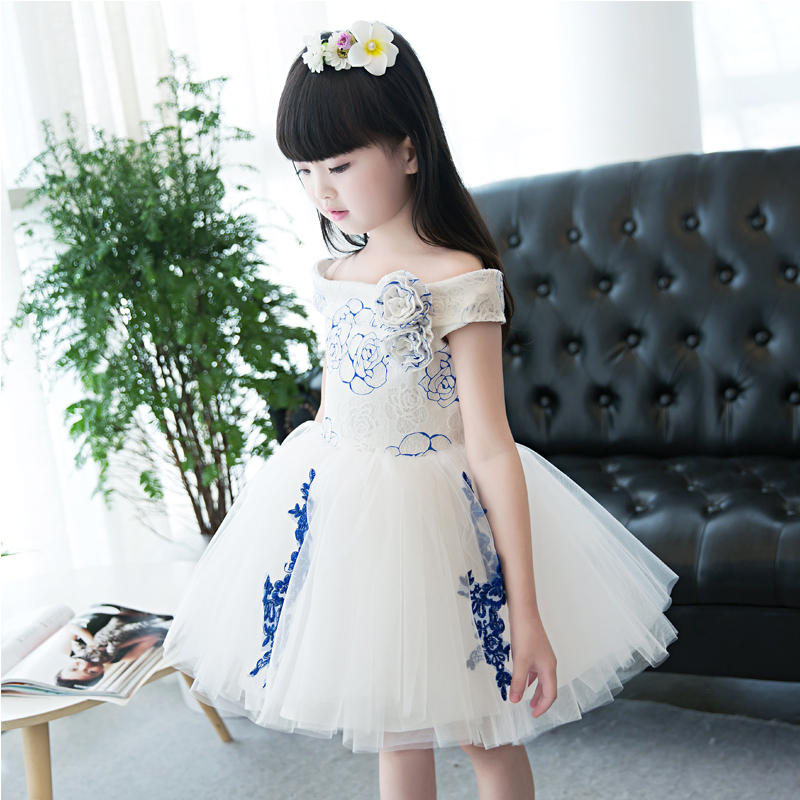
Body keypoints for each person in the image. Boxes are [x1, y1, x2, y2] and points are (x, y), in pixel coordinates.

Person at [161, 20, 679, 800]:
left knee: (486, 731)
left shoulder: (459, 278)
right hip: (352, 522)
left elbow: (492, 445)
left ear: (408, 151)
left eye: (339, 165)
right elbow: (334, 412)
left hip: (443, 524)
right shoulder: (334, 273)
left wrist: (526, 608)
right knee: (396, 732)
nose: (321, 191)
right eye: (303, 171)